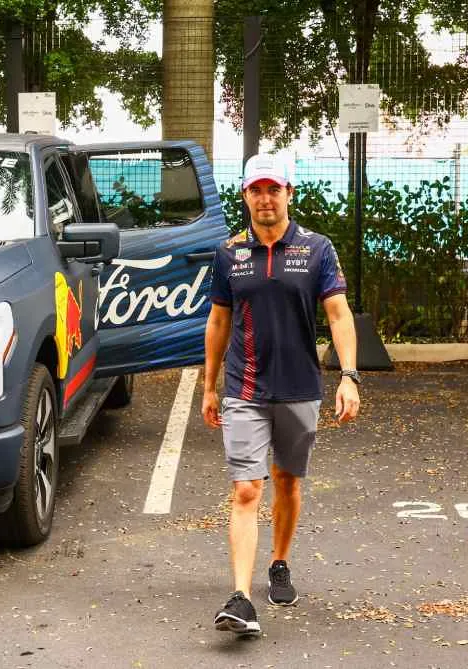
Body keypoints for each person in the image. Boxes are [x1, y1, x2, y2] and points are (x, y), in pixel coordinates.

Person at [201, 153, 361, 637]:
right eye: (256, 190)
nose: (265, 198)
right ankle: (240, 597)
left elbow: (338, 314)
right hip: (244, 387)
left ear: (289, 192)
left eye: (274, 189)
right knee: (247, 489)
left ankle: (279, 563)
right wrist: (209, 386)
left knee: (286, 481)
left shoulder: (316, 249)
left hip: (299, 387)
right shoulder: (229, 254)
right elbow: (219, 321)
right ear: (245, 195)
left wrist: (349, 375)